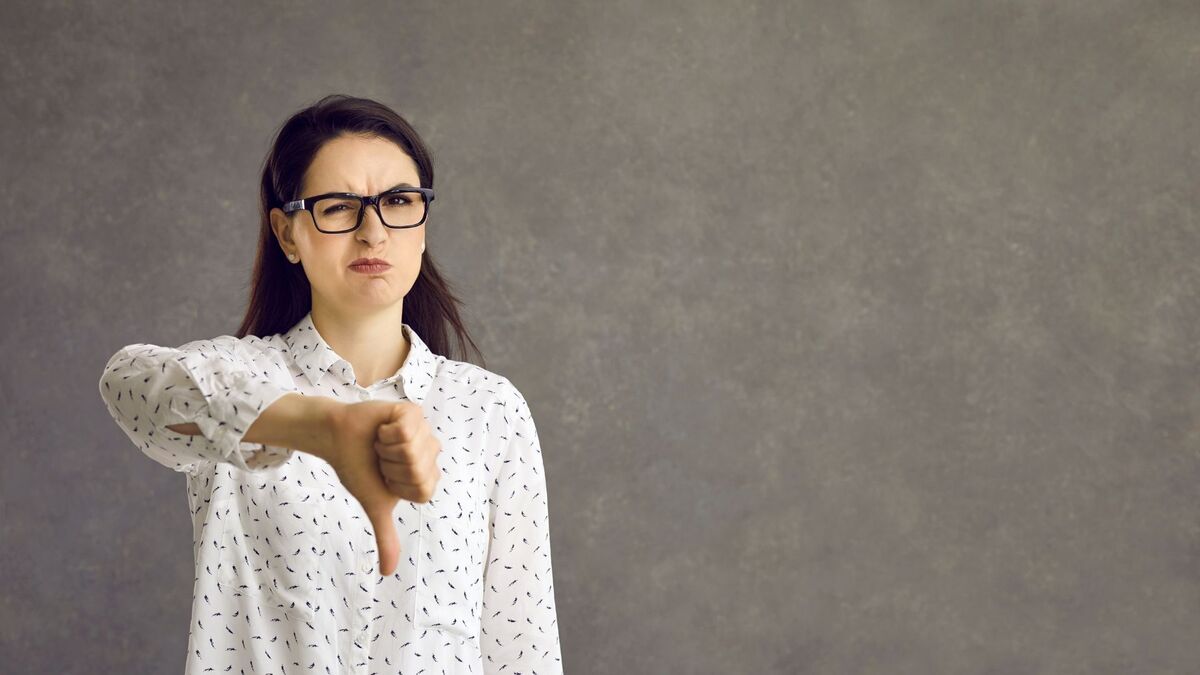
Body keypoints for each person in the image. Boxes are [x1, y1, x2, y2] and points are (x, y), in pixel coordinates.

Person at [97, 94, 563, 674]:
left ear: (423, 222)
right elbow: (130, 384)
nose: (373, 232)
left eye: (398, 201)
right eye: (339, 207)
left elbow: (523, 648)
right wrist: (323, 426)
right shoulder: (239, 377)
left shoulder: (489, 410)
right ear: (287, 233)